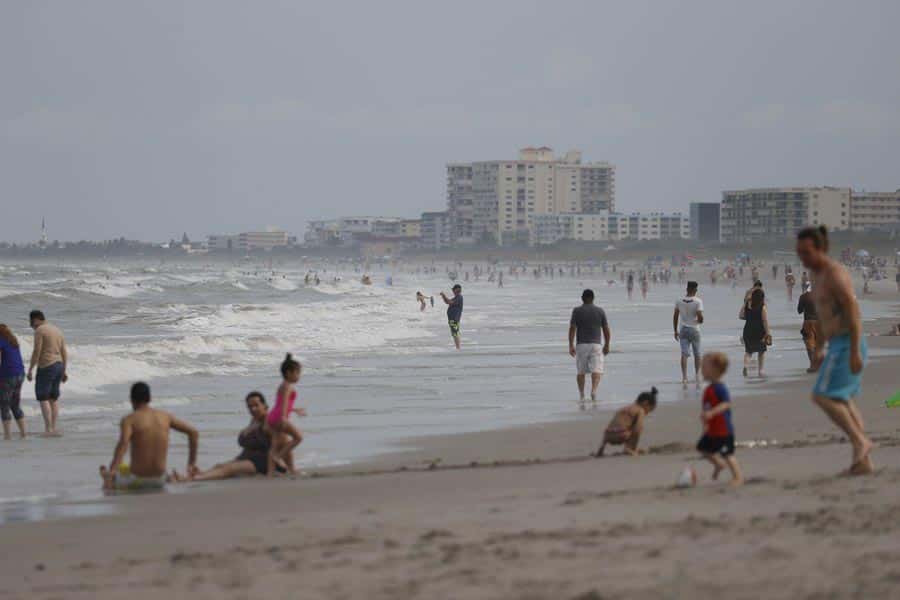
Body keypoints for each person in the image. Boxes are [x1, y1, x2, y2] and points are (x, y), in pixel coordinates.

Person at [796, 226, 872, 475]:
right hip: (836, 342)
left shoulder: (834, 274)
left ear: (821, 249)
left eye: (807, 252)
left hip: (848, 341)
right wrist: (819, 349)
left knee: (822, 396)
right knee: (843, 399)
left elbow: (852, 311)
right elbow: (825, 318)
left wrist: (854, 352)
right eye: (799, 253)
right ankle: (862, 462)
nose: (803, 258)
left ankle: (861, 442)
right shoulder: (815, 276)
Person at [99, 382, 199, 491]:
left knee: (118, 472)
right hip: (160, 480)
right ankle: (170, 478)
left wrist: (112, 471)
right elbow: (193, 433)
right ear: (150, 398)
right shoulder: (165, 417)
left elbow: (123, 444)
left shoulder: (129, 420)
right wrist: (191, 464)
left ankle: (108, 476)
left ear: (132, 400)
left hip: (137, 480)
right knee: (125, 468)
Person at [176, 392, 281, 481]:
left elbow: (282, 442)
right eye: (249, 407)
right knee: (219, 466)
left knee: (228, 469)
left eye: (256, 405)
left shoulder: (269, 422)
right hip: (248, 458)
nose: (253, 409)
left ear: (265, 406)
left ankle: (193, 479)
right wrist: (238, 459)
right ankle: (195, 475)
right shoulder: (255, 419)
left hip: (263, 462)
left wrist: (286, 466)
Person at [697, 352, 743, 486]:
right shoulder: (708, 390)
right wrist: (705, 422)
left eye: (704, 367)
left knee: (727, 454)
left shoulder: (720, 388)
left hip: (723, 430)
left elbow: (726, 403)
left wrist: (712, 413)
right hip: (711, 430)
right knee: (702, 448)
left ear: (716, 370)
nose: (702, 370)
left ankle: (738, 477)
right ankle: (719, 465)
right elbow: (706, 408)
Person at [26, 310, 67, 434]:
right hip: (59, 365)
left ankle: (48, 428)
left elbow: (37, 351)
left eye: (31, 322)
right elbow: (64, 351)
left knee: (43, 397)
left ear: (35, 320)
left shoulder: (40, 330)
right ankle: (53, 427)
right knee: (53, 398)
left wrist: (30, 369)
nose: (31, 326)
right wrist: (64, 370)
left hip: (47, 365)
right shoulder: (57, 330)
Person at [568, 289, 611, 405]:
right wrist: (607, 344)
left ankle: (582, 394)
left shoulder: (577, 311)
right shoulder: (600, 311)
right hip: (596, 344)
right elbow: (606, 330)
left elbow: (572, 328)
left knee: (581, 371)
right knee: (597, 370)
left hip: (581, 345)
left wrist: (570, 345)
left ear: (582, 298)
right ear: (593, 298)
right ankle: (593, 390)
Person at [265, 354, 305, 476]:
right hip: (279, 417)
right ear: (288, 373)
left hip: (272, 416)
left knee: (275, 444)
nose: (299, 376)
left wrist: (294, 410)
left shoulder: (282, 385)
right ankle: (279, 457)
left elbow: (281, 403)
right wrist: (283, 417)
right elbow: (284, 403)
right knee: (298, 437)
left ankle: (270, 473)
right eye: (297, 373)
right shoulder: (288, 386)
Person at [595, 387, 657, 457]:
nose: (647, 413)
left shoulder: (624, 408)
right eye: (649, 410)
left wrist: (601, 447)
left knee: (624, 425)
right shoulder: (640, 410)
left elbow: (613, 424)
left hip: (608, 436)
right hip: (621, 435)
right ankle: (630, 449)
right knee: (638, 427)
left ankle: (600, 451)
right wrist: (633, 448)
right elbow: (638, 429)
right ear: (645, 403)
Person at [674, 281, 704, 385]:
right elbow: (700, 318)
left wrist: (675, 331)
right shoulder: (698, 301)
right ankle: (697, 375)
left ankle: (684, 377)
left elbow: (675, 315)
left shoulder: (679, 300)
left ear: (687, 289)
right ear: (695, 290)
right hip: (694, 329)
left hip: (683, 329)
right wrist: (700, 319)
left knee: (684, 354)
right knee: (697, 354)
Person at [0, 324, 26, 439]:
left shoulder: (1, 341)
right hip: (20, 374)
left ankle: (7, 435)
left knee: (4, 404)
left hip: (8, 376)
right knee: (15, 404)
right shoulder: (13, 341)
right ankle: (23, 433)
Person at [741, 288, 770, 377]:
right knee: (761, 351)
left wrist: (750, 317)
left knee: (748, 351)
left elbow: (741, 316)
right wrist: (768, 332)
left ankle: (745, 366)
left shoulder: (747, 305)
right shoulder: (762, 306)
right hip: (759, 331)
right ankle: (760, 371)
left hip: (748, 329)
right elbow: (764, 320)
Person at [797, 283, 820, 373]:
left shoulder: (803, 296)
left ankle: (813, 365)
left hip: (808, 322)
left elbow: (799, 310)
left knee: (809, 344)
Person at [440, 284, 464, 350]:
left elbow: (449, 302)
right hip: (452, 318)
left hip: (455, 318)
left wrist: (444, 295)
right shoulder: (457, 297)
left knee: (455, 333)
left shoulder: (459, 297)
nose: (453, 290)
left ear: (457, 290)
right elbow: (447, 302)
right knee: (454, 333)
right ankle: (458, 347)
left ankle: (458, 348)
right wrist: (443, 296)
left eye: (453, 289)